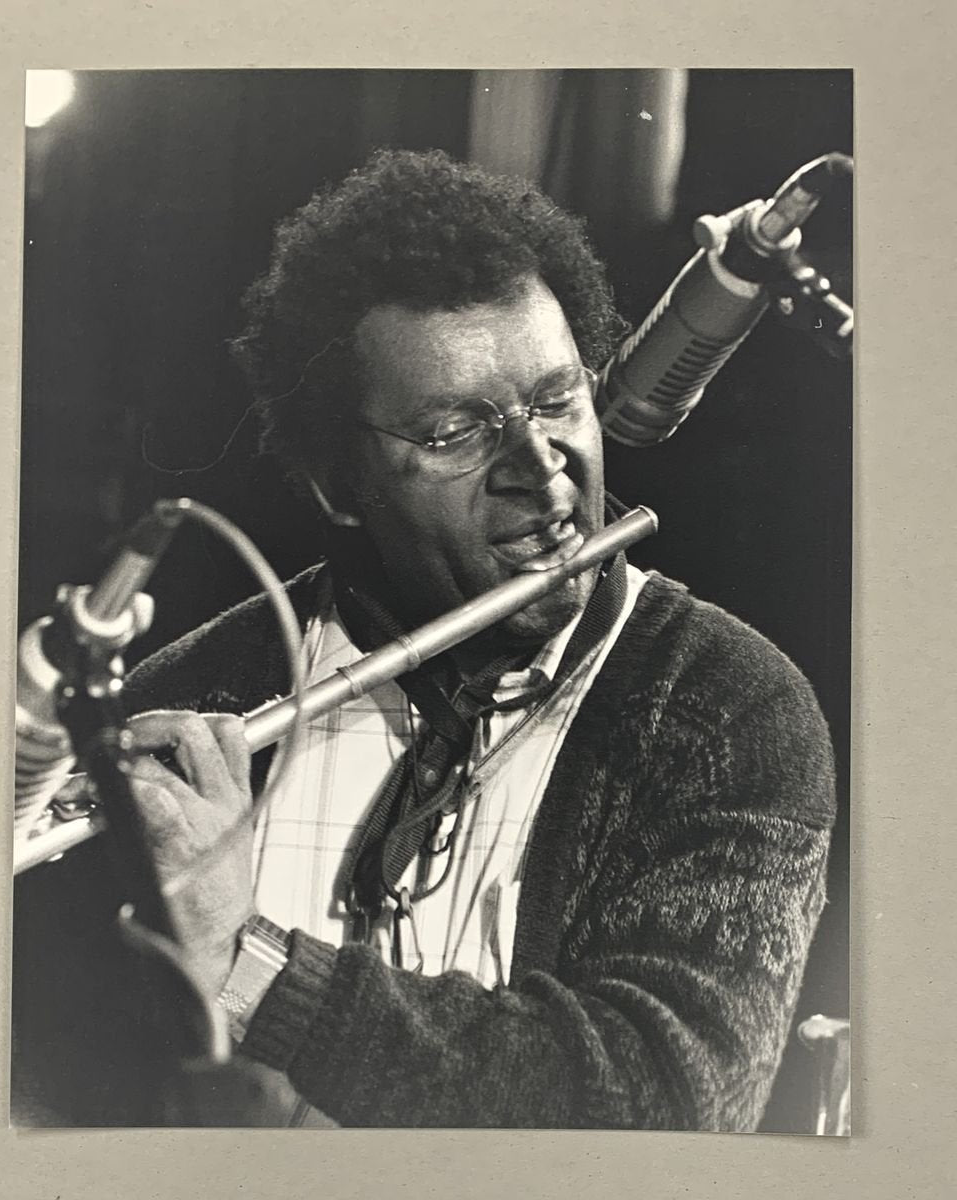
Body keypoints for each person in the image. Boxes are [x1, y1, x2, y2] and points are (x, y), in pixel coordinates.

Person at [119, 148, 836, 1129]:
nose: (541, 471)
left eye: (555, 401)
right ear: (336, 484)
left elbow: (668, 1105)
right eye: (456, 432)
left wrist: (247, 963)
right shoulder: (202, 693)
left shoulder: (728, 710)